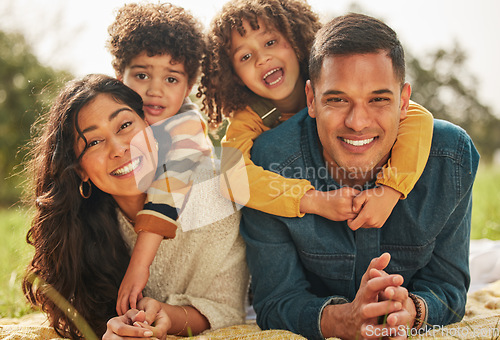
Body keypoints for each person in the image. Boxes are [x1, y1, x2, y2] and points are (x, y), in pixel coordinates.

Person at [240, 13, 479, 340]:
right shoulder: (267, 163)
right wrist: (342, 320)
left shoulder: (450, 158)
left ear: (404, 101)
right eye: (337, 100)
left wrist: (412, 310)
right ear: (311, 100)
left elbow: (448, 289)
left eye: (378, 99)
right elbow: (275, 300)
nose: (357, 121)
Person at [22, 74, 249, 339]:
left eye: (125, 125)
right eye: (94, 142)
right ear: (80, 170)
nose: (118, 148)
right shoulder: (84, 224)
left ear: (150, 126)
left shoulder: (214, 194)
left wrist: (166, 316)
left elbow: (227, 308)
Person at [199, 0, 434, 230]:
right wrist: (313, 200)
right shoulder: (248, 116)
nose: (262, 59)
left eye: (270, 42)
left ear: (295, 41)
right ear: (234, 75)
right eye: (245, 57)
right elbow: (231, 177)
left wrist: (391, 190)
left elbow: (417, 116)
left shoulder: (332, 81)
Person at [106, 3, 233, 315]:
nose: (154, 90)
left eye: (171, 79)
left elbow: (168, 190)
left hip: (204, 259)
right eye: (141, 75)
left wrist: (139, 265)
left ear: (188, 87)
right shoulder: (117, 119)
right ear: (119, 76)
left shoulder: (186, 127)